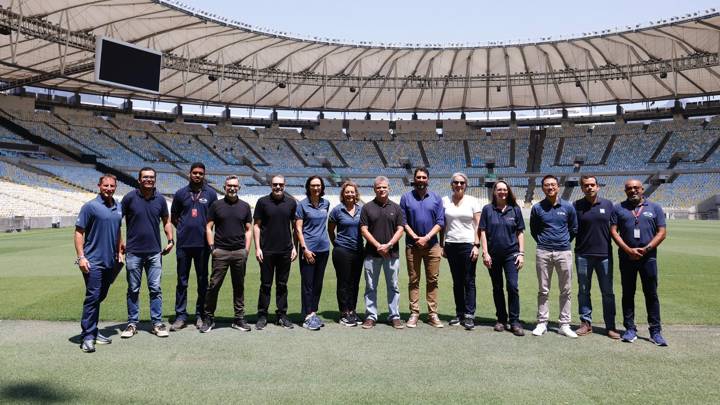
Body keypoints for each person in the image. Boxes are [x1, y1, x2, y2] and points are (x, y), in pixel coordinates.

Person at [610, 179, 668, 346]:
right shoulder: (618, 208)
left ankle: (655, 331)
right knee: (628, 293)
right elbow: (614, 232)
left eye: (636, 188)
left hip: (648, 258)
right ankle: (629, 329)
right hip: (626, 258)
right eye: (629, 188)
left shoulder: (655, 208)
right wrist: (628, 250)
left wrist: (646, 249)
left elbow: (662, 232)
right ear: (625, 191)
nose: (633, 190)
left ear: (642, 189)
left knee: (651, 294)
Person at [120, 167, 174, 339]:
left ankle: (157, 323)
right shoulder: (129, 198)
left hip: (154, 253)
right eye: (145, 177)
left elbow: (166, 221)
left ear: (155, 180)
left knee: (155, 289)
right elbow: (116, 221)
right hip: (133, 252)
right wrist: (120, 244)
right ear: (139, 179)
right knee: (133, 289)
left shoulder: (160, 200)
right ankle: (132, 323)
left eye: (151, 177)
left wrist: (170, 240)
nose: (148, 180)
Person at [74, 174, 124, 353]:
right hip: (93, 261)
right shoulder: (90, 207)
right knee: (93, 297)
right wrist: (81, 257)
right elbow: (79, 232)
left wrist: (119, 250)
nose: (109, 189)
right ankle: (87, 336)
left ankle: (93, 330)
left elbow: (117, 229)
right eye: (106, 186)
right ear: (99, 186)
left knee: (100, 296)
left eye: (112, 186)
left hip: (111, 261)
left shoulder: (118, 206)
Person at [199, 176, 253, 333]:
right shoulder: (216, 205)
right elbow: (208, 227)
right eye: (229, 186)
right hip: (220, 252)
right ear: (224, 187)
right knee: (214, 286)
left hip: (239, 252)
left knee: (239, 286)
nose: (232, 188)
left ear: (239, 188)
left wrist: (246, 250)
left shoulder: (244, 206)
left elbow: (249, 229)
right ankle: (209, 318)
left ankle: (239, 318)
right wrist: (212, 248)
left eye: (235, 186)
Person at [169, 162, 218, 331]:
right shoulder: (180, 193)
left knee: (202, 281)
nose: (197, 175)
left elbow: (213, 219)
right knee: (182, 281)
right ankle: (181, 316)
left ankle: (200, 314)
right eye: (195, 173)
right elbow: (174, 216)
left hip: (203, 245)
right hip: (184, 244)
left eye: (200, 173)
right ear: (189, 174)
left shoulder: (211, 194)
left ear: (204, 175)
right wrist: (183, 229)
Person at [529, 174, 578, 338]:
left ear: (558, 187)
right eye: (546, 185)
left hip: (564, 251)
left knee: (566, 289)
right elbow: (534, 230)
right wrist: (545, 242)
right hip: (543, 251)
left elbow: (573, 229)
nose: (550, 187)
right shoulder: (537, 208)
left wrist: (562, 242)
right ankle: (542, 322)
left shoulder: (568, 207)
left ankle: (564, 324)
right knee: (543, 289)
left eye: (553, 185)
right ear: (543, 188)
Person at [573, 175, 620, 339]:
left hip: (604, 255)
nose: (590, 188)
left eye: (592, 185)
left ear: (598, 187)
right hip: (583, 255)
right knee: (583, 290)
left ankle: (610, 326)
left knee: (608, 292)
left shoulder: (608, 205)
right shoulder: (576, 205)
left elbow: (615, 228)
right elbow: (572, 229)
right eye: (586, 185)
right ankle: (586, 323)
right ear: (582, 188)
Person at [400, 167, 445, 328]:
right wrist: (415, 237)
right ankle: (414, 313)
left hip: (432, 245)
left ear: (428, 179)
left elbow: (440, 222)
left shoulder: (436, 198)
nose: (420, 180)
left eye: (423, 177)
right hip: (412, 245)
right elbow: (403, 222)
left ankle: (432, 314)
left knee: (432, 280)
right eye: (418, 177)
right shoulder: (406, 198)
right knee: (414, 280)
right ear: (414, 179)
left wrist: (426, 238)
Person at [479, 180, 526, 336]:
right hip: (493, 256)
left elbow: (520, 232)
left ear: (508, 191)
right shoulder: (487, 209)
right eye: (499, 189)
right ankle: (501, 319)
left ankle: (514, 321)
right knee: (497, 287)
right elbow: (483, 232)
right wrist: (485, 253)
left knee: (512, 286)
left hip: (511, 255)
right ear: (494, 192)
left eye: (504, 189)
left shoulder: (515, 209)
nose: (502, 192)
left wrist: (521, 253)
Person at [359, 176, 405, 329]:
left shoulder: (396, 208)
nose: (382, 190)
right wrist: (379, 245)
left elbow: (401, 229)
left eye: (384, 187)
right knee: (371, 286)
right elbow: (364, 229)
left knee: (393, 286)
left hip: (392, 255)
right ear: (374, 189)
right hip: (372, 255)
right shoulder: (367, 208)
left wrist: (389, 245)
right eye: (379, 187)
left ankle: (394, 316)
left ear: (389, 188)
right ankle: (371, 316)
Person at [253, 175, 298, 330]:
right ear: (270, 185)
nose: (278, 187)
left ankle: (282, 315)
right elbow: (256, 226)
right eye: (275, 184)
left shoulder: (291, 203)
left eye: (280, 184)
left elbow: (295, 228)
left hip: (285, 251)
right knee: (265, 284)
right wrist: (257, 248)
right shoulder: (262, 202)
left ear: (284, 185)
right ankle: (262, 315)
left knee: (282, 285)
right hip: (266, 251)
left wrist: (294, 247)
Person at [440, 172, 481, 330]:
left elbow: (478, 224)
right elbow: (442, 225)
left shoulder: (473, 201)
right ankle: (460, 313)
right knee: (456, 282)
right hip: (451, 245)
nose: (458, 185)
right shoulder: (445, 201)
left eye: (461, 183)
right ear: (451, 184)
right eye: (456, 182)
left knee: (469, 280)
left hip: (468, 245)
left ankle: (470, 315)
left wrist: (476, 246)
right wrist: (442, 244)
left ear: (466, 185)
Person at [295, 176, 331, 331]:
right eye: (313, 185)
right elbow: (298, 229)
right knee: (308, 284)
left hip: (324, 248)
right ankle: (307, 315)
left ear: (322, 187)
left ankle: (313, 312)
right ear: (308, 187)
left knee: (318, 284)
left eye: (318, 185)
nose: (316, 188)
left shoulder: (326, 203)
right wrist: (304, 249)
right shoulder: (302, 205)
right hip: (309, 249)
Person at [328, 181, 364, 327]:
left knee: (354, 283)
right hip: (342, 251)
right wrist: (336, 244)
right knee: (343, 282)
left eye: (352, 192)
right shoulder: (337, 210)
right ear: (343, 194)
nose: (350, 194)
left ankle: (352, 310)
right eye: (347, 192)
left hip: (358, 250)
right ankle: (344, 312)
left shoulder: (362, 210)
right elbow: (330, 230)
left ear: (356, 194)